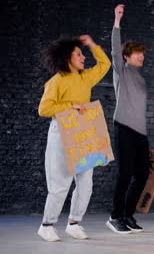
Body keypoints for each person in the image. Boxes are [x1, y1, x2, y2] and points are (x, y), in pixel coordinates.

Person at [37, 35, 111, 241]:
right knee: (60, 183)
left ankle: (74, 223)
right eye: (79, 54)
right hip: (61, 131)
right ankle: (46, 225)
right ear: (66, 57)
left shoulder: (84, 77)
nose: (83, 57)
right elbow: (44, 109)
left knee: (86, 182)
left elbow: (105, 64)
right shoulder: (56, 81)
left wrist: (92, 45)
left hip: (83, 132)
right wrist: (71, 106)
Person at [106, 4, 151, 235]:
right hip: (123, 127)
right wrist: (117, 21)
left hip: (140, 133)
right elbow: (114, 50)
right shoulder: (121, 71)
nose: (141, 56)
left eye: (142, 53)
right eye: (137, 53)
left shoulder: (140, 79)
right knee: (125, 174)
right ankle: (115, 216)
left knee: (143, 174)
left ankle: (128, 214)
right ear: (126, 56)